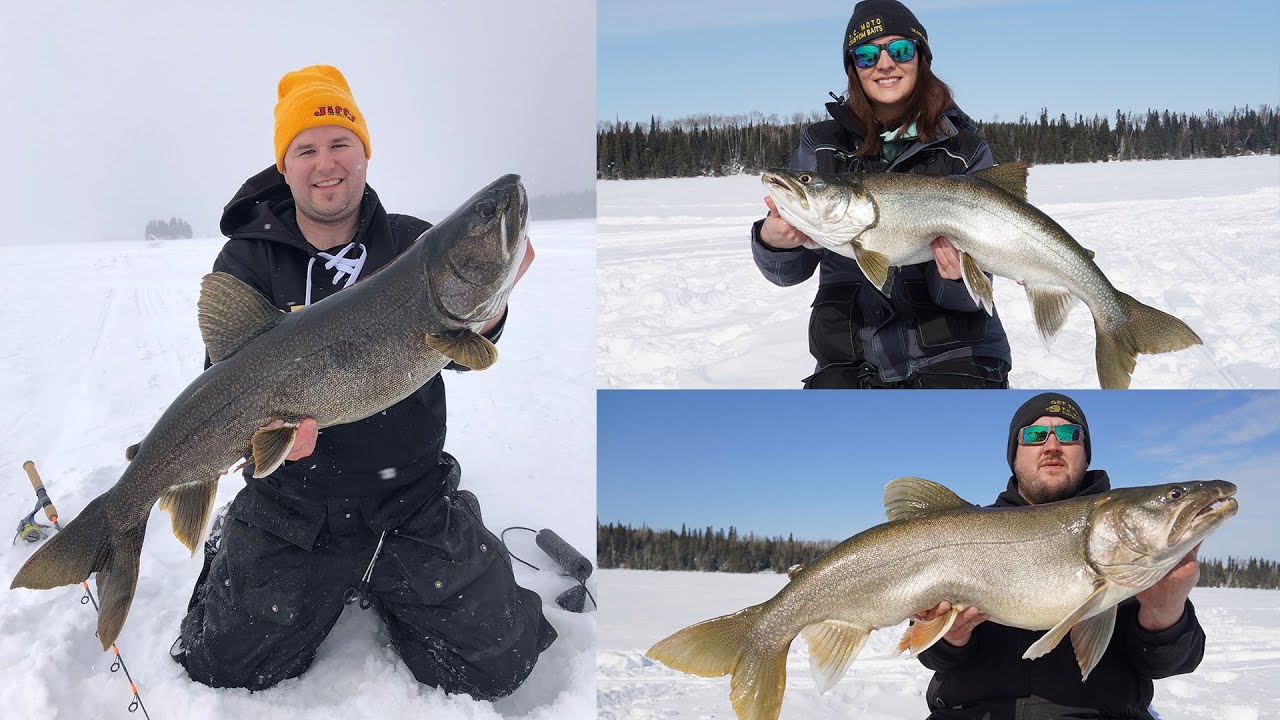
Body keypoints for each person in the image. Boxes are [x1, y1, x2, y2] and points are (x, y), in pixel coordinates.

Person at [171, 65, 554, 699]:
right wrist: (256, 440)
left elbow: (462, 352)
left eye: (340, 143)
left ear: (364, 153)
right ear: (285, 167)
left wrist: (491, 312)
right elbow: (222, 379)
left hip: (410, 498)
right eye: (307, 148)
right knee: (227, 672)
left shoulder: (412, 242)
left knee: (501, 662)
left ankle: (405, 573)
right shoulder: (247, 260)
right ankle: (239, 539)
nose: (327, 163)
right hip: (289, 503)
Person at [751, 0, 1011, 389]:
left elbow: (971, 294)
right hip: (850, 355)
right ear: (853, 69)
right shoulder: (822, 146)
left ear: (921, 58)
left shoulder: (964, 148)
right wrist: (774, 244)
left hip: (956, 352)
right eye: (867, 55)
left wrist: (957, 278)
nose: (884, 63)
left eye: (901, 49)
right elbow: (788, 275)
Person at [914, 392, 1206, 719]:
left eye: (1069, 434)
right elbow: (934, 658)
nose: (1052, 445)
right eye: (1035, 435)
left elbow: (1168, 663)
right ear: (1014, 454)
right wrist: (950, 637)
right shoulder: (963, 533)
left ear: (1085, 452)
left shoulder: (1121, 539)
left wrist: (1165, 610)